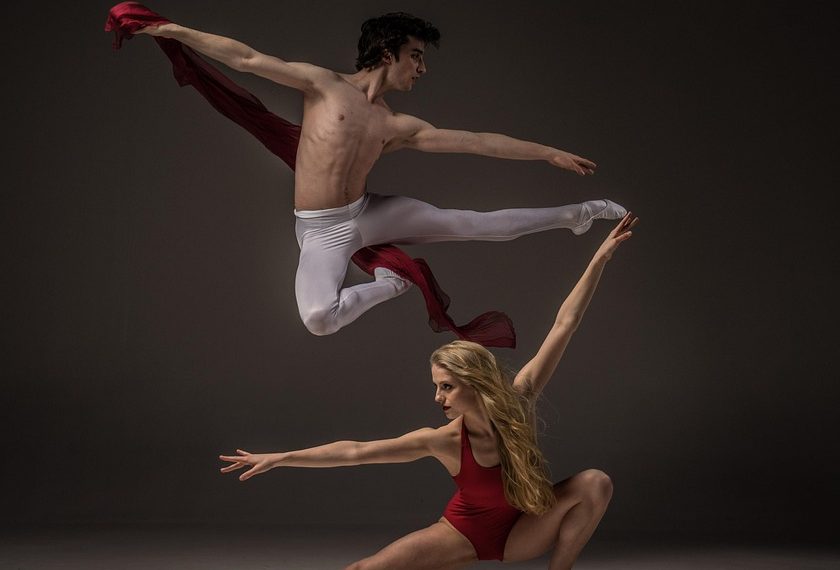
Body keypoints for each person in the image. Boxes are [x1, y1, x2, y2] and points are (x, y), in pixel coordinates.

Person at [124, 8, 626, 338]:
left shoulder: (397, 124)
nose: (421, 69)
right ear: (388, 53)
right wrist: (169, 30)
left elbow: (476, 142)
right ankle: (391, 284)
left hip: (369, 214)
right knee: (319, 319)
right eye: (416, 56)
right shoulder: (323, 86)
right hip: (321, 230)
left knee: (476, 223)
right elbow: (248, 58)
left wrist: (547, 153)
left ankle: (580, 214)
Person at [219, 214, 638, 569]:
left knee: (595, 482)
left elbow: (565, 323)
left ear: (475, 384)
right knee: (365, 569)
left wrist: (599, 258)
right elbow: (356, 452)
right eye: (437, 388)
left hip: (523, 534)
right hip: (464, 533)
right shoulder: (443, 440)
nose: (438, 398)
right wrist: (281, 458)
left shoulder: (520, 397)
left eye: (446, 387)